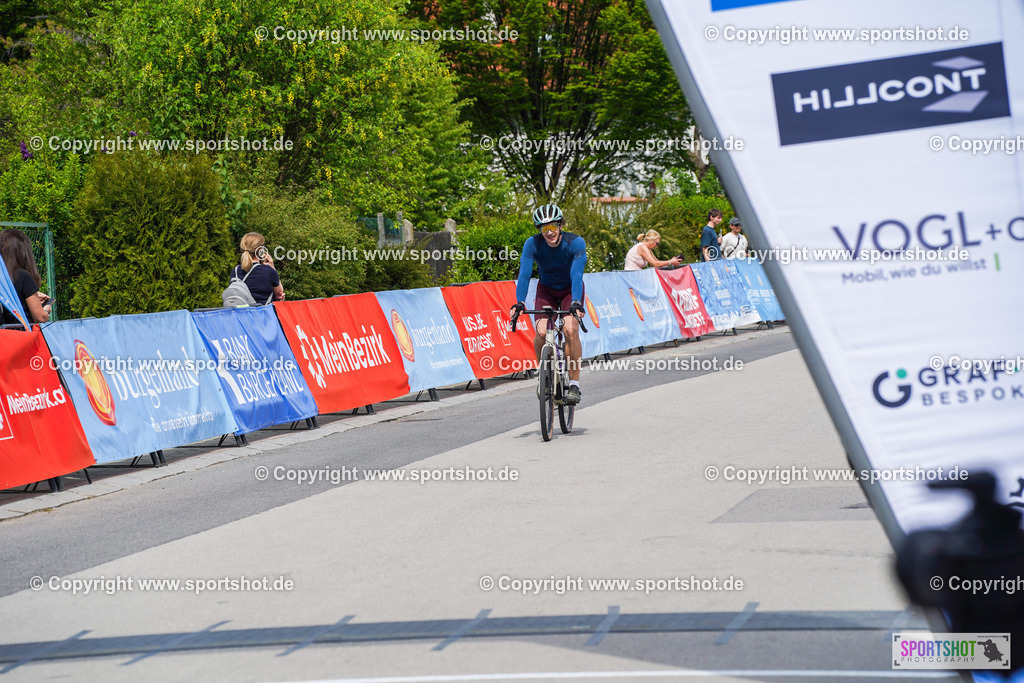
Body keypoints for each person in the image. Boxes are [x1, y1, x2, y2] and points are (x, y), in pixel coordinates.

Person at [510, 204, 587, 405]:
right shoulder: (532, 244)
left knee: (570, 329)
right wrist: (519, 302)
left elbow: (577, 275)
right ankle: (544, 375)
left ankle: (574, 384)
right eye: (545, 228)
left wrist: (577, 302)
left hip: (571, 289)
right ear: (540, 230)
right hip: (546, 290)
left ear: (561, 225)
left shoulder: (575, 243)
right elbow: (525, 274)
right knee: (542, 332)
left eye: (553, 226)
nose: (550, 232)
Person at [0, 228, 51, 324]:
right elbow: (40, 317)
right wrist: (46, 310)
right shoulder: (23, 276)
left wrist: (33, 295)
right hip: (21, 335)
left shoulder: (3, 277)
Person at [229, 232, 284, 305]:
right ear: (261, 251)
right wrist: (273, 268)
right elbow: (280, 293)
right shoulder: (269, 271)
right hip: (262, 315)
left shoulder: (235, 271)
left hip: (241, 315)